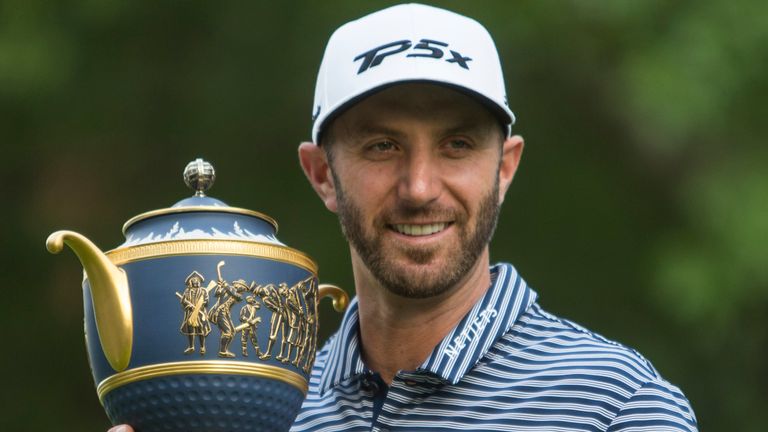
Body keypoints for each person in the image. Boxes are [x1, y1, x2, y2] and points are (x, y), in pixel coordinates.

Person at [109, 3, 697, 431]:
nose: (419, 188)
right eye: (382, 146)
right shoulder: (268, 411)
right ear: (321, 174)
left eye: (458, 145)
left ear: (505, 168)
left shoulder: (619, 405)